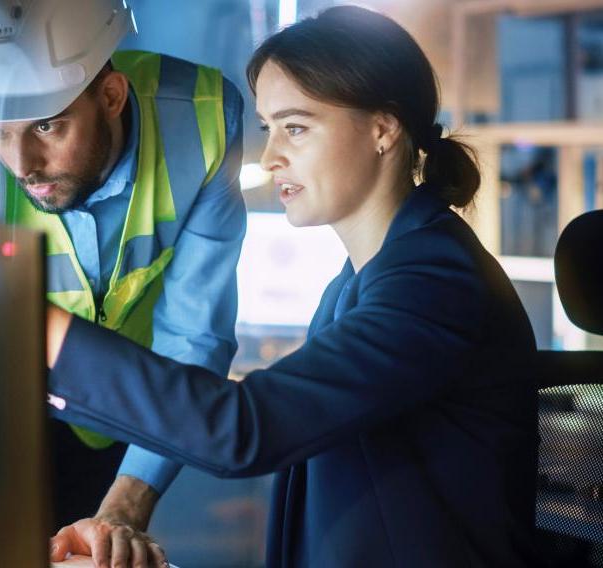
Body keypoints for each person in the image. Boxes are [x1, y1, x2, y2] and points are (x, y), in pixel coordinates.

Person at [45, 6, 539, 568]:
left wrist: (50, 337)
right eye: (268, 129)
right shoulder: (360, 280)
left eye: (296, 127)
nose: (273, 156)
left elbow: (245, 430)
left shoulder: (432, 283)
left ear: (383, 128)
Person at [0, 0, 246, 543]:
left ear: (110, 96)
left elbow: (194, 334)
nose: (21, 163)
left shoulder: (203, 117)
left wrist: (127, 502)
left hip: (138, 412)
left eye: (47, 125)